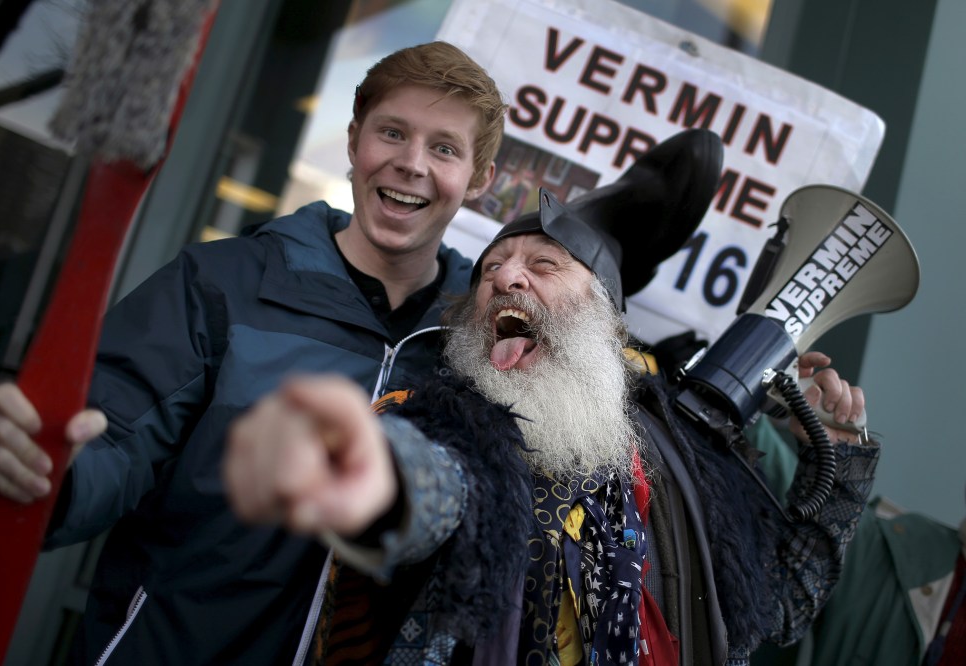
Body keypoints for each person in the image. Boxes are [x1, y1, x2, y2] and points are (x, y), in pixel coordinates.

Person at [0, 41, 506, 664]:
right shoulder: (219, 284)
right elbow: (108, 441)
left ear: (479, 179)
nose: (411, 163)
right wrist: (28, 464)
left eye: (444, 148)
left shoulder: (478, 339)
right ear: (354, 140)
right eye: (392, 132)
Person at [223, 179, 879, 665]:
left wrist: (840, 460)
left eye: (543, 264)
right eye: (490, 269)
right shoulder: (444, 424)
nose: (505, 277)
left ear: (606, 321)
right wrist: (379, 474)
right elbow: (437, 482)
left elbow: (777, 608)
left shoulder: (685, 452)